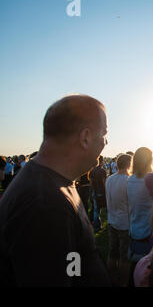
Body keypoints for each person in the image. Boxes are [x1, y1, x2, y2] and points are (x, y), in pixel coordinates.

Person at [0, 94, 110, 286]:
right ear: (85, 137)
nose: (105, 143)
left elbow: (72, 265)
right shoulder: (44, 204)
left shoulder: (53, 183)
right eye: (104, 134)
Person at [127, 147, 153, 284]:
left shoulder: (129, 180)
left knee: (134, 271)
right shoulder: (149, 181)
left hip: (134, 230)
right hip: (147, 234)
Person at [105, 153, 132, 286]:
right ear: (128, 164)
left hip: (111, 220)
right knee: (124, 256)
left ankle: (110, 279)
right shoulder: (128, 180)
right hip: (125, 223)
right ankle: (122, 283)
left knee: (112, 252)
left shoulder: (109, 179)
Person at [90, 155, 107, 232]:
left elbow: (91, 183)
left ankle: (96, 227)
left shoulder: (92, 171)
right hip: (102, 192)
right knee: (107, 210)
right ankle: (110, 225)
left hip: (95, 191)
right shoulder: (102, 171)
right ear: (101, 161)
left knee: (96, 210)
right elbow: (104, 183)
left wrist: (93, 191)